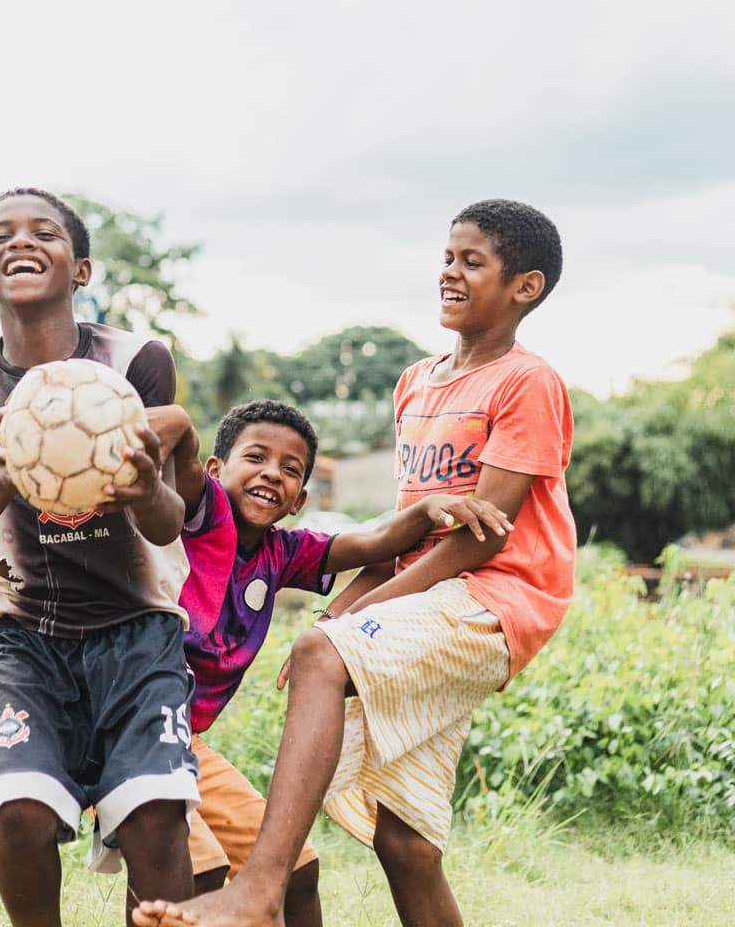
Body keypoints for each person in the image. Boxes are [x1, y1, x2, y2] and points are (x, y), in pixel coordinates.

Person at [135, 198, 575, 927]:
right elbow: (408, 534)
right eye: (446, 257)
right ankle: (270, 882)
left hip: (497, 597)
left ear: (524, 287)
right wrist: (345, 609)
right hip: (431, 600)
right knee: (404, 840)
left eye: (472, 261)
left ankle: (258, 888)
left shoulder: (526, 381)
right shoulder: (418, 383)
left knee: (318, 651)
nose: (450, 272)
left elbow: (483, 536)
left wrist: (344, 627)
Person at [0, 187, 195, 927]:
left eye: (44, 233)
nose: (21, 242)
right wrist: (10, 470)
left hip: (137, 629)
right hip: (23, 634)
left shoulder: (136, 360)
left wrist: (142, 484)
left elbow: (168, 523)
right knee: (18, 816)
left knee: (156, 822)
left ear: (80, 268)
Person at [140, 398, 512, 927]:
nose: (272, 473)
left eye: (290, 470)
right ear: (218, 471)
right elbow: (184, 456)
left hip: (186, 742)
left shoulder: (283, 552)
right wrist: (177, 420)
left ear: (300, 499)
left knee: (297, 871)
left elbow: (375, 543)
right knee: (200, 868)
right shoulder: (198, 517)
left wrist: (430, 508)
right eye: (257, 458)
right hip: (126, 731)